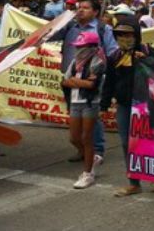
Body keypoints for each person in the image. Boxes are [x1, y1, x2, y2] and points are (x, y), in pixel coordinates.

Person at [52, 0, 117, 164]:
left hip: (92, 80)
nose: (80, 10)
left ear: (95, 12)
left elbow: (113, 53)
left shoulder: (103, 29)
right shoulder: (69, 27)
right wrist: (61, 21)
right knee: (76, 116)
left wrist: (102, 75)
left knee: (92, 118)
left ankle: (97, 151)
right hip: (70, 79)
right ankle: (83, 150)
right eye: (79, 7)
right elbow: (48, 35)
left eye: (86, 8)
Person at [101, 17, 154, 197]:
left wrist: (147, 61)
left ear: (136, 35)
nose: (124, 38)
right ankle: (134, 182)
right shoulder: (114, 57)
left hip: (145, 105)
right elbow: (109, 83)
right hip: (125, 106)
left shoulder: (148, 51)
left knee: (149, 142)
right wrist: (103, 106)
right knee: (128, 144)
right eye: (119, 34)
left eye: (128, 34)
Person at [62, 31, 107, 189]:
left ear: (91, 47)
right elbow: (66, 80)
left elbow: (92, 85)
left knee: (87, 137)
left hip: (90, 103)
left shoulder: (97, 62)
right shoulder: (75, 62)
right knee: (74, 137)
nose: (79, 49)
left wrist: (76, 81)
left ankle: (88, 173)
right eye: (78, 46)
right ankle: (92, 157)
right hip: (75, 102)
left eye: (82, 47)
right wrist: (78, 82)